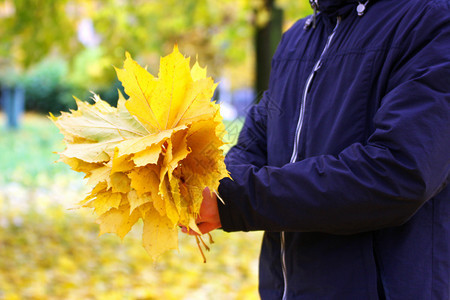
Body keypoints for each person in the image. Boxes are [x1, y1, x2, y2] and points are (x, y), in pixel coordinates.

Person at [186, 0, 450, 298]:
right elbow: (256, 139)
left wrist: (237, 201)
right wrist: (211, 188)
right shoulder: (297, 38)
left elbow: (398, 173)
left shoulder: (431, 20)